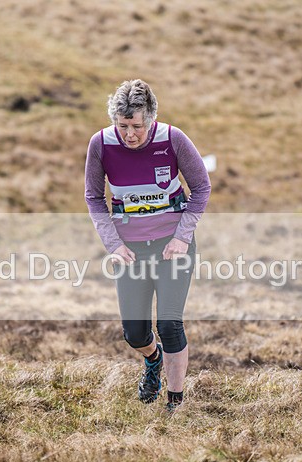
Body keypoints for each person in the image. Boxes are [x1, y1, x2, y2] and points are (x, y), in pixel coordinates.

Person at [85, 79, 211, 412]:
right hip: (130, 250)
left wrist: (182, 237)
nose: (130, 134)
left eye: (137, 127)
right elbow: (94, 197)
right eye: (123, 125)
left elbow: (201, 188)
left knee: (169, 324)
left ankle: (175, 400)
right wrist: (113, 244)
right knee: (135, 334)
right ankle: (152, 361)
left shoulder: (173, 139)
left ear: (151, 119)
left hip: (172, 246)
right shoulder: (100, 144)